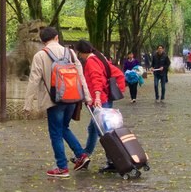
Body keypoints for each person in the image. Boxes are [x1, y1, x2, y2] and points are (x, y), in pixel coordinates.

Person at [25, 26, 91, 178]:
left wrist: (27, 104)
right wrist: (87, 97)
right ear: (56, 37)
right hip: (73, 98)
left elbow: (33, 81)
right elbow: (81, 77)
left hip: (54, 100)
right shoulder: (71, 53)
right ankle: (81, 155)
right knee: (64, 128)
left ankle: (62, 167)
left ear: (43, 41)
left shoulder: (40, 55)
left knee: (55, 132)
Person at [76, 40, 127, 173]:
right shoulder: (100, 57)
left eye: (79, 53)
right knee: (93, 128)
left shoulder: (91, 62)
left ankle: (113, 161)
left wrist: (97, 97)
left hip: (99, 100)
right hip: (104, 98)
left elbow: (96, 79)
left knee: (103, 132)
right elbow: (115, 73)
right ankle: (85, 155)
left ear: (82, 52)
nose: (79, 56)